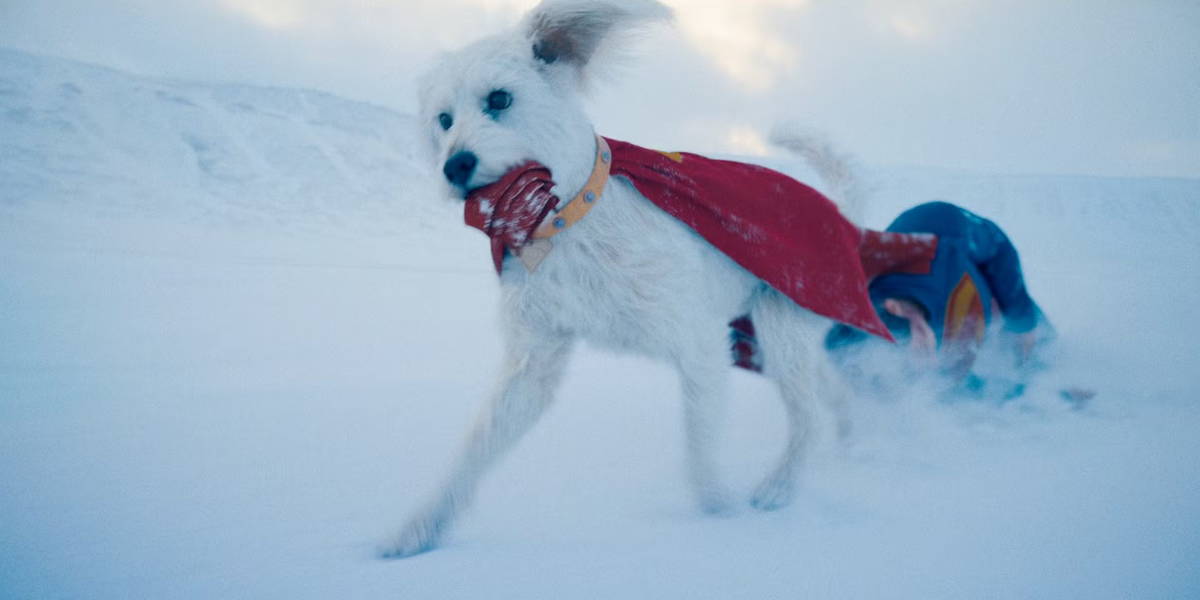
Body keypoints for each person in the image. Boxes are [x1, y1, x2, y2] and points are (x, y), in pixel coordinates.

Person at [823, 201, 1056, 400]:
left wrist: (1023, 322)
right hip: (955, 332)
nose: (926, 363)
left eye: (920, 351)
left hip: (962, 255)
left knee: (1026, 333)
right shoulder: (852, 340)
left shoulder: (942, 247)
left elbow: (997, 246)